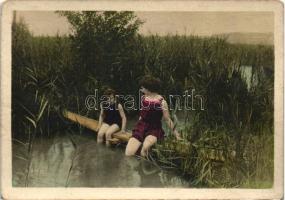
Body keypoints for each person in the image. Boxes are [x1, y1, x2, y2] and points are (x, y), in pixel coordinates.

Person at [125, 75, 182, 157]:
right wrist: (137, 127)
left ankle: (143, 167)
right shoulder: (144, 98)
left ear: (149, 89)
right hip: (141, 127)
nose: (141, 90)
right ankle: (133, 168)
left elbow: (167, 119)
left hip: (154, 129)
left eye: (143, 88)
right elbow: (142, 115)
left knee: (145, 148)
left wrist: (176, 134)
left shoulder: (162, 102)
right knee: (128, 153)